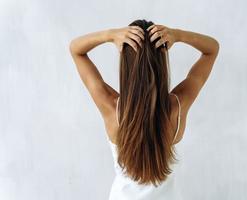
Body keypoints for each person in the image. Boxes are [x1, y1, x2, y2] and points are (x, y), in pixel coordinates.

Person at [69, 19, 219, 200]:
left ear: (125, 64)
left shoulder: (111, 107)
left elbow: (76, 50)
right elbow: (212, 49)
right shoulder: (176, 108)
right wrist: (178, 35)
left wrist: (110, 35)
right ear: (162, 63)